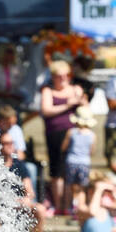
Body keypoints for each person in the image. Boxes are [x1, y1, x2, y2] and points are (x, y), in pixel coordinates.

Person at [40, 60, 83, 214]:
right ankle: (59, 205)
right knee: (57, 170)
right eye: (59, 76)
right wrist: (68, 105)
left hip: (73, 134)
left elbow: (85, 109)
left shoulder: (75, 89)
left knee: (71, 170)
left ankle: (69, 204)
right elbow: (46, 110)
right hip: (55, 133)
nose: (63, 79)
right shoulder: (47, 90)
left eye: (66, 76)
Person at [61, 106, 95, 212]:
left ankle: (67, 207)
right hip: (84, 162)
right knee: (82, 187)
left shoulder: (71, 132)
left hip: (71, 161)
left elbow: (64, 147)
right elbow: (92, 151)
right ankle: (80, 208)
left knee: (68, 185)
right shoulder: (92, 135)